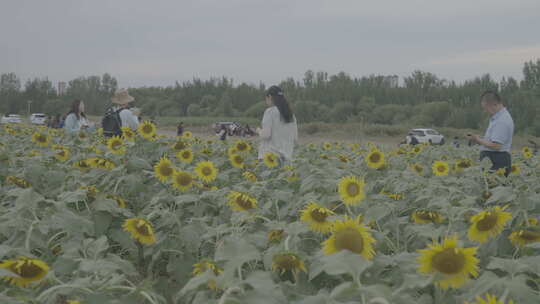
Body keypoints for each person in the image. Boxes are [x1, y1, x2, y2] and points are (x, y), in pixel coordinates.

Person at [467, 90, 514, 176]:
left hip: (497, 162)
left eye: (485, 108)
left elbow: (496, 146)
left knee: (493, 188)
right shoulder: (498, 118)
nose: (485, 111)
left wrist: (478, 139)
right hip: (494, 160)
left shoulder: (502, 121)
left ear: (495, 105)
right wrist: (480, 138)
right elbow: (493, 140)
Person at [257, 85, 298, 164]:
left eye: (266, 98)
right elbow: (295, 139)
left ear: (269, 96)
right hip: (287, 160)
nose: (266, 101)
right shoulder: (291, 115)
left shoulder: (270, 112)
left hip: (270, 159)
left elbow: (266, 135)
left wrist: (259, 131)